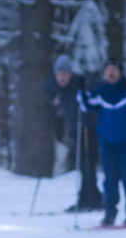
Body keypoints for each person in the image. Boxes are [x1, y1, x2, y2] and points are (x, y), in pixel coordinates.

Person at [80, 58, 126, 226]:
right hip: (107, 143)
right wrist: (81, 92)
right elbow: (87, 105)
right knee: (109, 178)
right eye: (108, 69)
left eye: (114, 69)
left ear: (120, 72)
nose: (110, 72)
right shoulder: (102, 91)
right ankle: (109, 214)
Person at [42, 54, 102, 212]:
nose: (61, 77)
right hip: (76, 130)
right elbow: (47, 86)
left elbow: (97, 85)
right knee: (82, 165)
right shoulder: (59, 88)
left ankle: (91, 199)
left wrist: (85, 87)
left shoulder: (78, 83)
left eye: (65, 74)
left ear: (71, 74)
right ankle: (89, 198)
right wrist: (58, 95)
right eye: (58, 74)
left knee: (87, 164)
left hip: (89, 128)